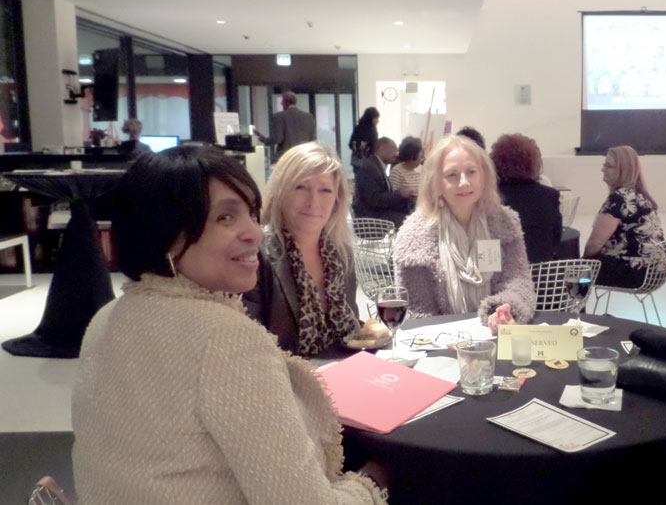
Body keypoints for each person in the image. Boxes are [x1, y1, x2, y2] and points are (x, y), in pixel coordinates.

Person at [72, 145, 387, 504]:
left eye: (251, 214)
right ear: (166, 233)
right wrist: (375, 481)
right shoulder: (226, 339)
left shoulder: (106, 318)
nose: (254, 232)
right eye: (226, 218)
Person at [393, 135, 535, 333]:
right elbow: (418, 311)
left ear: (484, 176)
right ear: (436, 183)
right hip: (442, 345)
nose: (464, 182)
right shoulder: (413, 238)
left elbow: (518, 281)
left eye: (471, 172)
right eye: (452, 175)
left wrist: (504, 310)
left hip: (496, 336)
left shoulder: (505, 223)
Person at [244, 142, 369, 357]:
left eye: (325, 190)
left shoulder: (341, 253)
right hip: (284, 382)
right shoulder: (254, 256)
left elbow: (351, 330)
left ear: (336, 201)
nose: (314, 202)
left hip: (345, 375)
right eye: (301, 187)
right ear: (280, 191)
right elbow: (250, 348)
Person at [583, 145, 665, 288]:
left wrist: (581, 263)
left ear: (623, 170)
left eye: (609, 166)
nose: (603, 169)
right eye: (604, 164)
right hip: (655, 271)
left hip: (634, 272)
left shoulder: (619, 199)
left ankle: (571, 309)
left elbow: (594, 245)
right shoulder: (641, 195)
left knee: (571, 273)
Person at [490, 133, 562, 263]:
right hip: (542, 275)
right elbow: (555, 240)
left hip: (501, 274)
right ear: (533, 162)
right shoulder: (549, 196)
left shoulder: (489, 196)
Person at [351, 136, 413, 228]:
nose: (396, 154)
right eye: (393, 149)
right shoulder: (370, 168)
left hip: (377, 214)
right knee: (409, 222)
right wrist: (399, 194)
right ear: (381, 149)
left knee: (411, 214)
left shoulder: (377, 167)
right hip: (370, 219)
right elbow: (374, 199)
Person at [254, 91, 317, 160]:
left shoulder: (279, 116)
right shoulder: (309, 117)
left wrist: (264, 139)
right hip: (303, 156)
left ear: (285, 102)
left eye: (282, 101)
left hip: (286, 156)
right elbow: (313, 139)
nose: (281, 103)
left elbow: (278, 138)